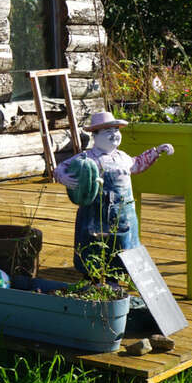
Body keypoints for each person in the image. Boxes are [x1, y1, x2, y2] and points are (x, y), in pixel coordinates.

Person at [53, 112, 174, 278]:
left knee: (124, 245)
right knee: (94, 245)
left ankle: (118, 276)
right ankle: (94, 277)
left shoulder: (122, 157)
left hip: (124, 213)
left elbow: (137, 164)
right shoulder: (87, 159)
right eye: (107, 131)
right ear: (94, 135)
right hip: (96, 214)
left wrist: (156, 151)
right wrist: (64, 177)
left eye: (116, 130)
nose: (114, 135)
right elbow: (61, 168)